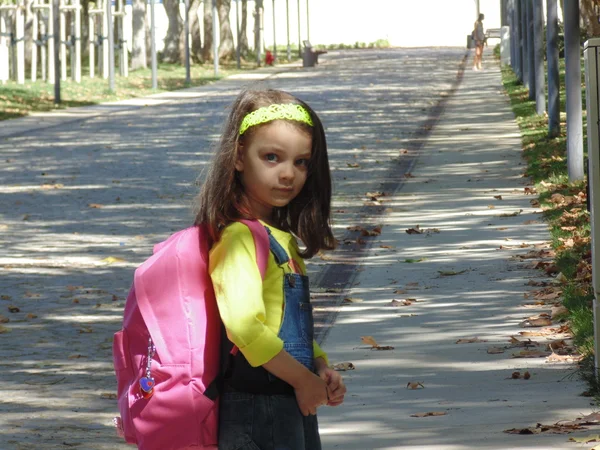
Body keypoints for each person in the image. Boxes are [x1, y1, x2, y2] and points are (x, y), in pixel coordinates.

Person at [195, 88, 347, 450]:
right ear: (238, 157)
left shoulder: (279, 239)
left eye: (301, 162)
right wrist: (301, 380)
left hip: (288, 398)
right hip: (256, 408)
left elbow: (279, 323)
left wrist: (318, 367)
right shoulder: (238, 239)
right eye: (272, 157)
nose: (288, 174)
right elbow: (246, 329)